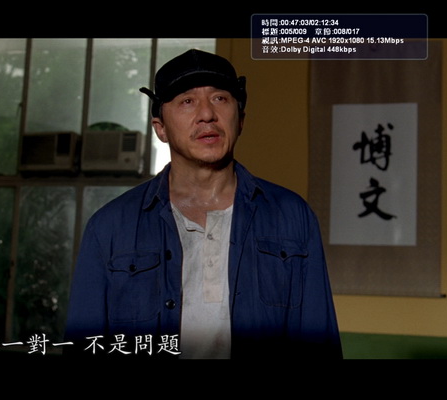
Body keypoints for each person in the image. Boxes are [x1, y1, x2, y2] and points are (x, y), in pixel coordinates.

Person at [64, 49, 342, 359]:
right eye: (187, 101)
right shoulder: (110, 227)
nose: (207, 114)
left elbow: (320, 343)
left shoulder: (291, 216)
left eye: (220, 98)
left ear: (241, 120)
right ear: (160, 128)